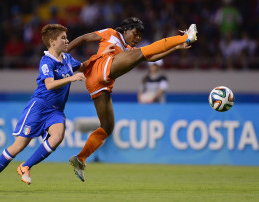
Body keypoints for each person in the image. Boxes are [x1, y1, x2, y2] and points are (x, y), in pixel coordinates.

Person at [67, 17, 197, 182]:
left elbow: (151, 58)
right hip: (100, 68)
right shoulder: (110, 33)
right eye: (135, 33)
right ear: (126, 29)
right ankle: (185, 36)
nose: (137, 38)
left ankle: (80, 159)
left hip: (97, 83)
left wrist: (176, 48)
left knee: (107, 127)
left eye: (140, 36)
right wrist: (63, 54)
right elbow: (84, 38)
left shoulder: (128, 49)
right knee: (143, 52)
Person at [0, 24, 88, 191]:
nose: (67, 41)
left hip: (56, 110)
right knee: (19, 145)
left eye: (67, 37)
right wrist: (71, 78)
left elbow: (85, 66)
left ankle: (26, 166)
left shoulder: (67, 59)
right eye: (63, 38)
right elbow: (50, 85)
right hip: (39, 106)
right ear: (52, 41)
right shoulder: (46, 61)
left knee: (57, 136)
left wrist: (104, 56)